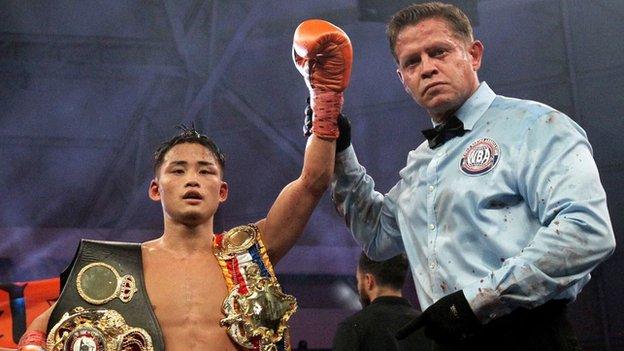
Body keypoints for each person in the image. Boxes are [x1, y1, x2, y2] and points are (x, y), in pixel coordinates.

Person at [17, 19, 353, 351]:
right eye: (178, 170)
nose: (192, 178)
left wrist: (325, 98)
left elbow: (313, 182)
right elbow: (45, 323)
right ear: (155, 189)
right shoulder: (122, 267)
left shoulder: (248, 254)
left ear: (222, 191)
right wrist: (32, 344)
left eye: (205, 171)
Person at [328, 2, 616, 350]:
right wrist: (340, 151)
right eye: (412, 62)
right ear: (402, 79)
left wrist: (478, 300)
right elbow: (378, 235)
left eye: (439, 52)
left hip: (530, 336)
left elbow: (587, 229)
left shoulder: (535, 125)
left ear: (474, 54)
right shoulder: (424, 162)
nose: (428, 68)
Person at [332, 253, 432, 351]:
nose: (358, 286)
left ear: (368, 280)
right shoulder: (430, 328)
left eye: (358, 280)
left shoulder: (352, 329)